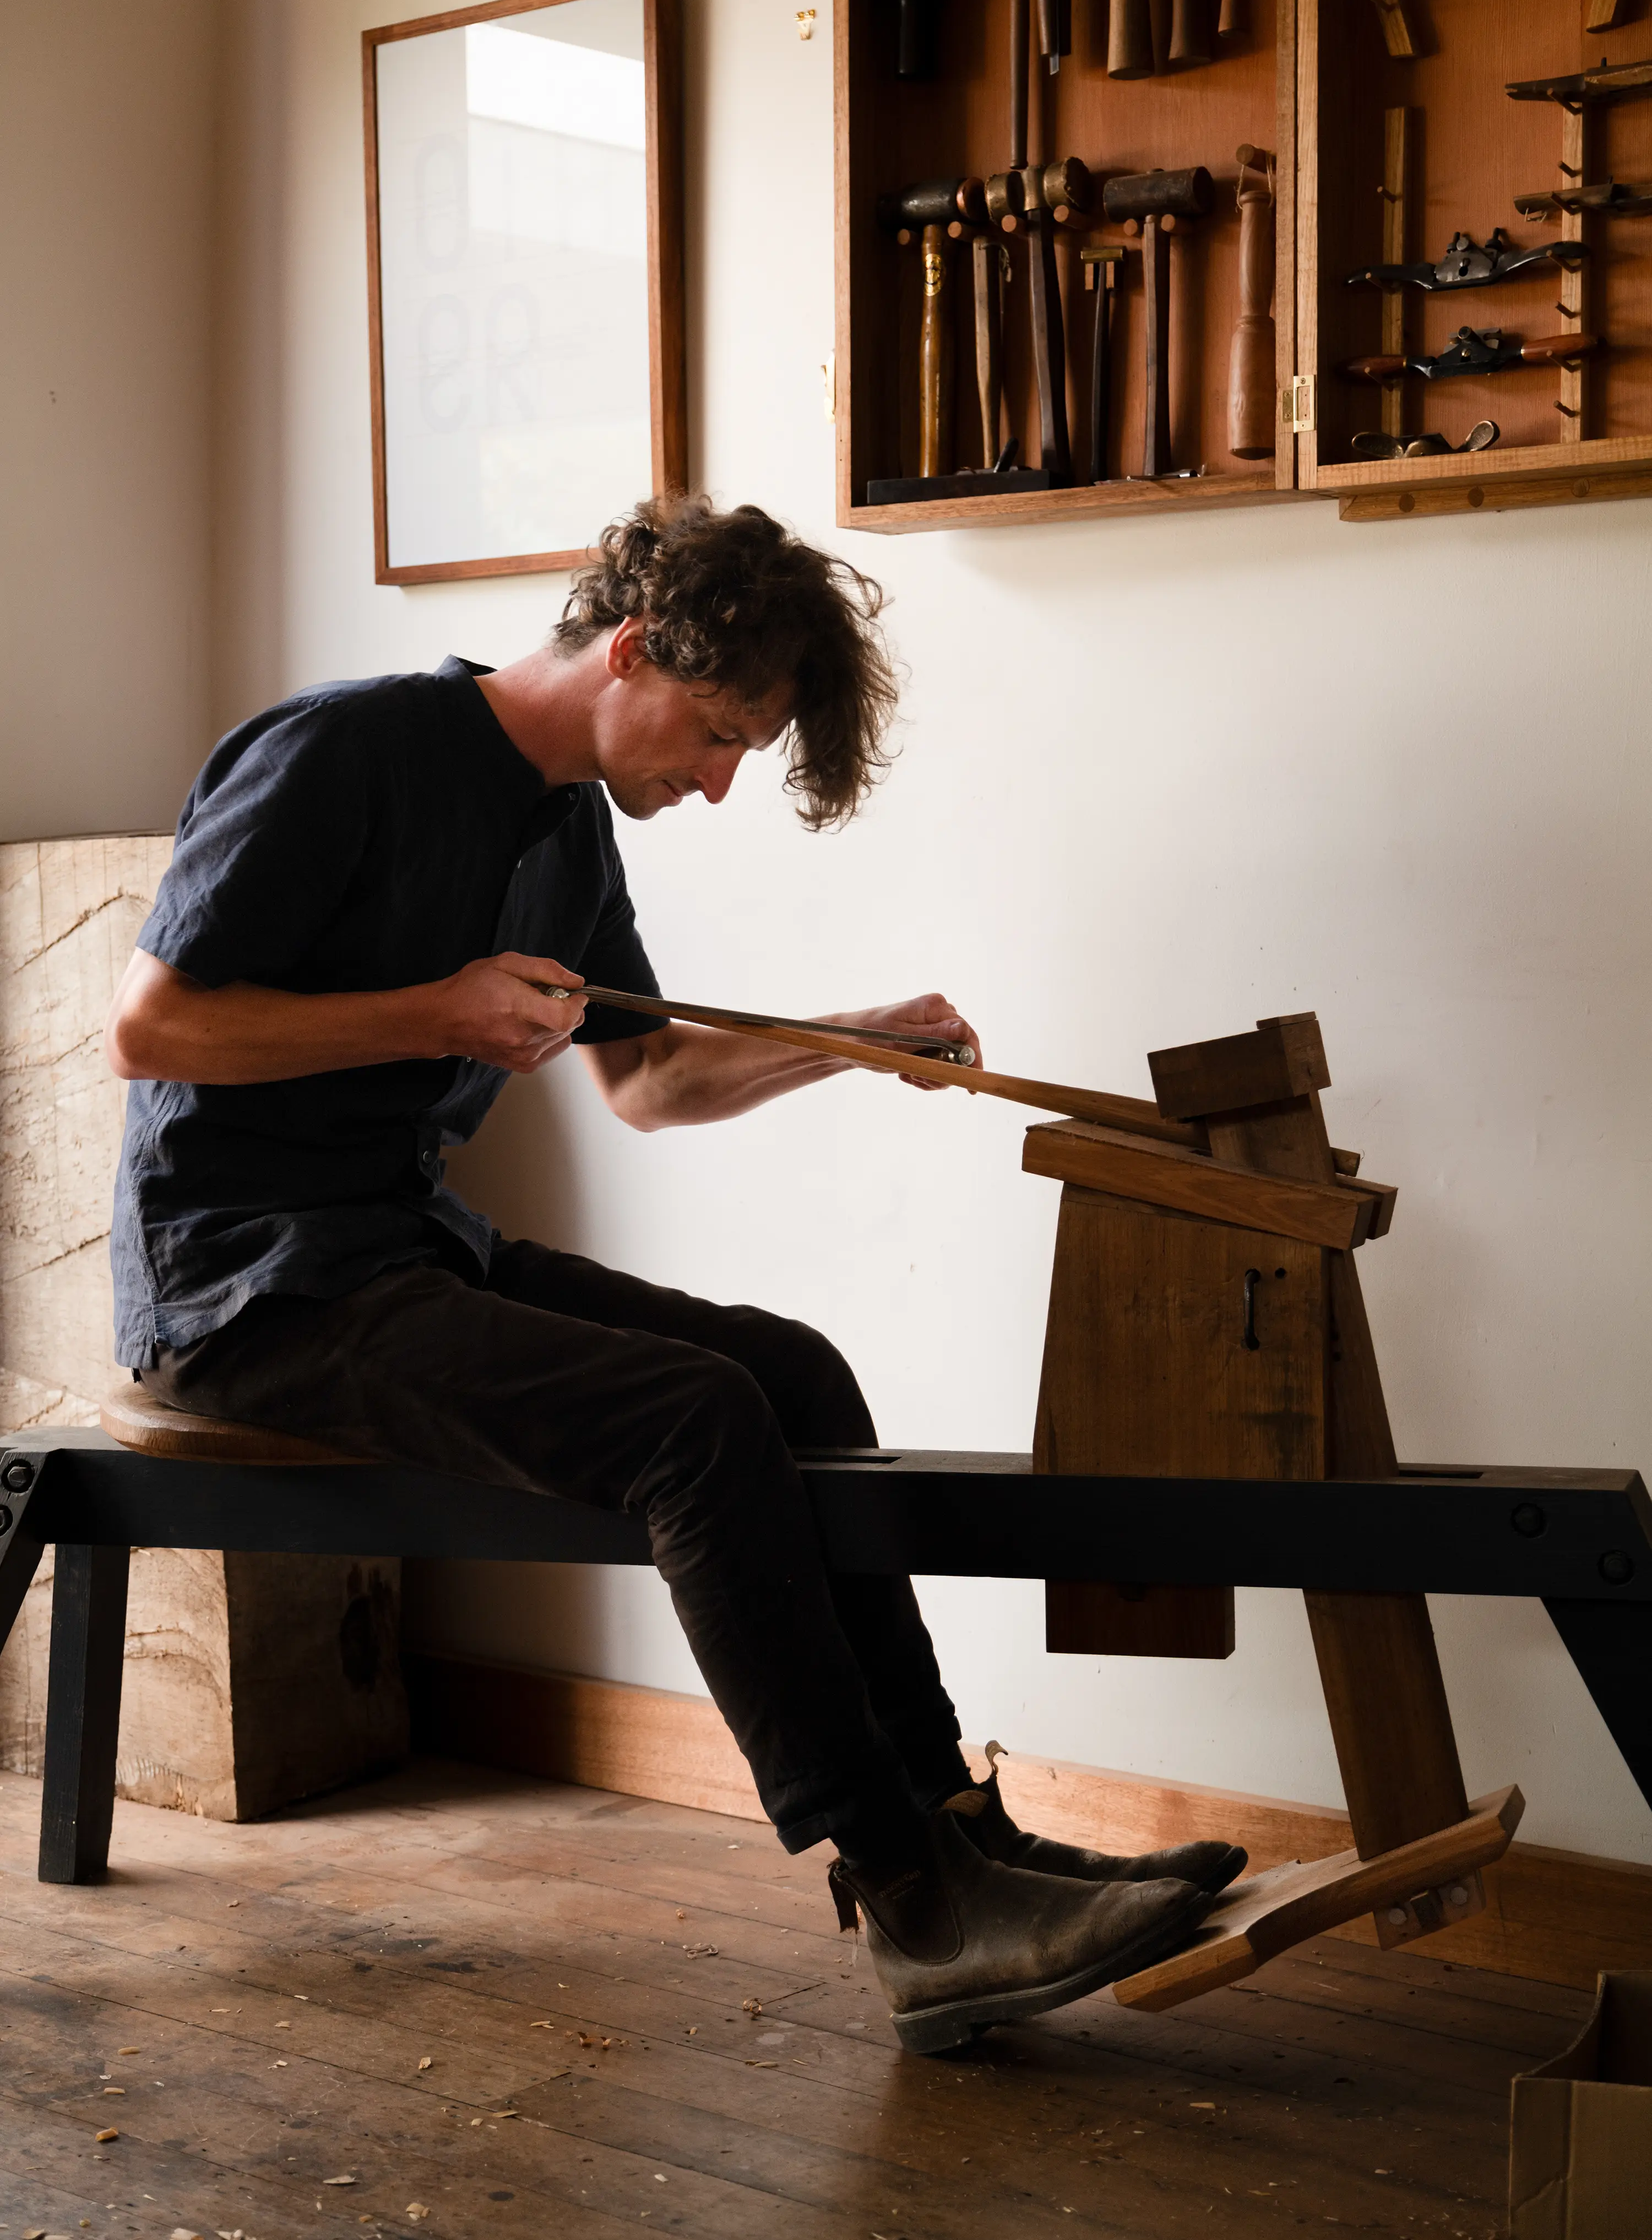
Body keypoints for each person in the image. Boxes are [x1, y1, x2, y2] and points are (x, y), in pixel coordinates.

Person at [104, 496, 1241, 2054]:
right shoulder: (342, 753)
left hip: (400, 1245)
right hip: (244, 1282)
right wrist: (439, 1009)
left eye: (741, 755)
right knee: (693, 1419)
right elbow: (150, 1029)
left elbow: (648, 1082)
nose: (712, 784)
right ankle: (913, 1904)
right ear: (629, 649)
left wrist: (850, 1042)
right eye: (713, 734)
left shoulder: (567, 829)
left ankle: (957, 1833)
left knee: (796, 1373)